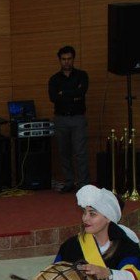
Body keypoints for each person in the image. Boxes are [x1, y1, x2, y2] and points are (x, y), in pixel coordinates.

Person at [48, 45, 90, 193]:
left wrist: (63, 94)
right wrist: (73, 94)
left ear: (73, 59)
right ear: (60, 60)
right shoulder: (54, 79)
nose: (66, 62)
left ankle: (84, 184)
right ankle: (69, 181)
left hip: (78, 118)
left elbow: (82, 92)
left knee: (80, 152)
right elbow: (53, 98)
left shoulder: (82, 75)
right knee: (64, 152)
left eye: (69, 59)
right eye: (63, 59)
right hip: (60, 119)